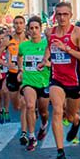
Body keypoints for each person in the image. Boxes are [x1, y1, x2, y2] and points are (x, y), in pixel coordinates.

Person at [48, 2, 80, 159]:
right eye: (58, 14)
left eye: (65, 14)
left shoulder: (77, 32)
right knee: (58, 110)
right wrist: (46, 59)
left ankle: (76, 121)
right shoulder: (49, 32)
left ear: (70, 15)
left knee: (71, 115)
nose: (61, 18)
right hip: (57, 79)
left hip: (74, 80)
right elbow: (49, 49)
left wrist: (67, 49)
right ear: (55, 16)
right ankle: (60, 153)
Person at [19, 16, 51, 151]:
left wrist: (48, 64)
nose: (34, 31)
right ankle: (32, 137)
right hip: (28, 81)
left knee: (43, 112)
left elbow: (53, 61)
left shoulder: (46, 45)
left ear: (40, 29)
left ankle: (44, 125)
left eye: (36, 28)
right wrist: (21, 70)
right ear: (28, 30)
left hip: (43, 82)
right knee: (30, 106)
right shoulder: (23, 45)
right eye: (31, 28)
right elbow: (19, 57)